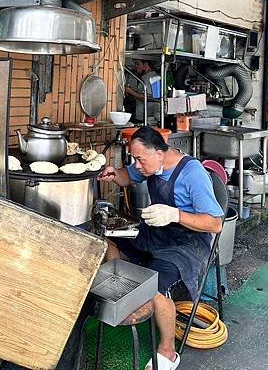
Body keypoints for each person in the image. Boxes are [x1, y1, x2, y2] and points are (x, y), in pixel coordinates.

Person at [98, 126, 223, 370]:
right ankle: (124, 297)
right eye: (135, 159)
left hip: (188, 244)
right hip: (157, 232)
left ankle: (168, 352)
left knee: (155, 286)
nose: (138, 164)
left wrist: (175, 214)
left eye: (140, 159)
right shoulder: (151, 163)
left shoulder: (192, 173)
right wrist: (114, 174)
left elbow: (215, 224)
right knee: (108, 240)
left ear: (158, 153)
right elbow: (127, 176)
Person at [125, 59, 160, 124]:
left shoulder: (149, 78)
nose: (136, 66)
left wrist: (131, 91)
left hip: (147, 117)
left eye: (137, 64)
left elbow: (148, 97)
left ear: (145, 65)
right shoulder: (148, 76)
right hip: (144, 115)